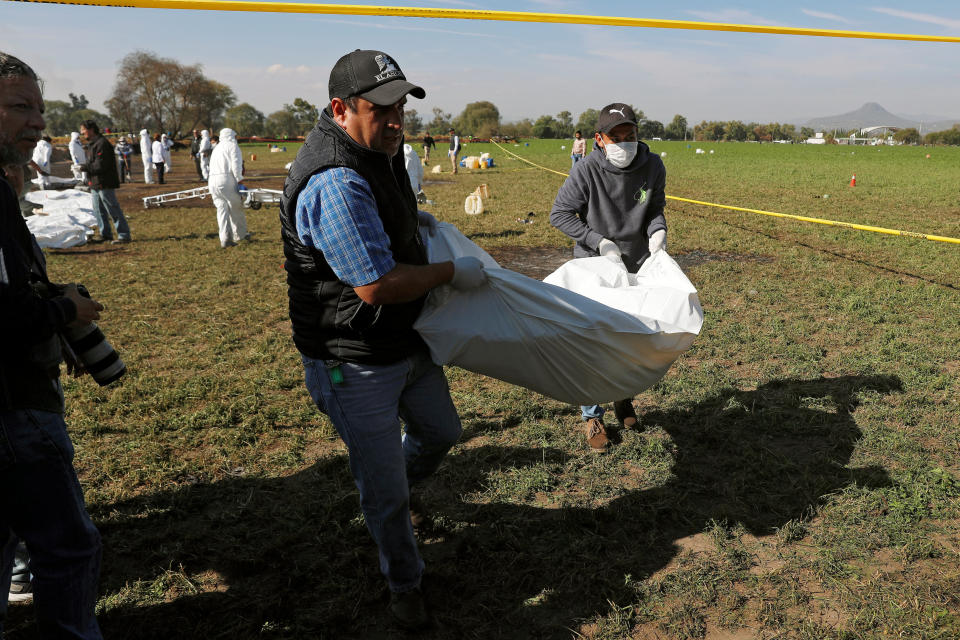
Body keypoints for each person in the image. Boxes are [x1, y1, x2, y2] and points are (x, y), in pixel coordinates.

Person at [279, 48, 487, 629]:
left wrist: (410, 221)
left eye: (403, 107)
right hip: (353, 355)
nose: (398, 121)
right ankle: (404, 582)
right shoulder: (335, 180)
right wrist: (450, 273)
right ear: (340, 109)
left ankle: (392, 491)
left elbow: (386, 234)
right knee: (385, 490)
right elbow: (374, 285)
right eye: (383, 109)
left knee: (441, 431)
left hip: (404, 339)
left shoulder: (379, 148)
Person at [0, 49, 105, 639]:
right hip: (13, 403)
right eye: (19, 107)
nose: (38, 122)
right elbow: (5, 314)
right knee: (67, 547)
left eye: (39, 108)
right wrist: (66, 308)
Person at [549, 103, 667, 452]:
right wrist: (598, 242)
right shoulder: (586, 171)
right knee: (593, 340)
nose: (623, 144)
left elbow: (654, 208)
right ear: (599, 140)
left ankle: (623, 397)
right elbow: (560, 214)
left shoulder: (653, 165)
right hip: (595, 268)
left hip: (636, 264)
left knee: (629, 336)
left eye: (629, 136)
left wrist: (658, 231)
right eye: (615, 138)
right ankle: (591, 414)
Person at [79, 119, 132, 244]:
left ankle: (124, 235)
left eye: (83, 129)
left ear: (91, 129)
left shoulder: (102, 144)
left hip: (104, 182)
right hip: (95, 182)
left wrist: (84, 168)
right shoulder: (93, 144)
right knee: (98, 210)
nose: (82, 132)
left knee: (112, 208)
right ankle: (105, 234)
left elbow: (101, 166)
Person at [207, 127, 248, 248]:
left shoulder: (217, 148)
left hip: (212, 181)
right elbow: (236, 164)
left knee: (222, 210)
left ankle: (224, 239)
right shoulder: (232, 146)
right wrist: (239, 179)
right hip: (226, 179)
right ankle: (240, 235)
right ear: (231, 136)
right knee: (235, 208)